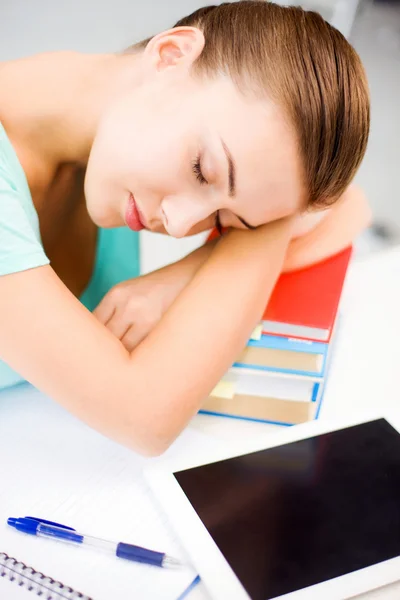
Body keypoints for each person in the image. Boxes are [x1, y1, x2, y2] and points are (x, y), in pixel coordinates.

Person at [0, 2, 370, 455]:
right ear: (171, 56)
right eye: (202, 169)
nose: (179, 224)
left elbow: (349, 208)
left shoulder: (111, 137)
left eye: (222, 221)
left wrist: (185, 271)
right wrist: (267, 222)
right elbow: (144, 417)